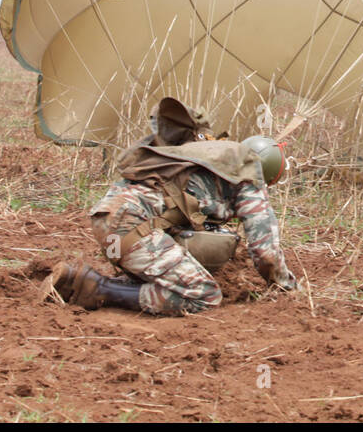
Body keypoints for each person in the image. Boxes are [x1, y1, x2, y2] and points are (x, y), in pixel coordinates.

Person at [49, 98, 297, 314]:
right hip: (132, 229)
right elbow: (266, 254)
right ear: (269, 170)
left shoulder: (198, 155)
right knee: (204, 295)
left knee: (171, 265)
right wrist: (287, 286)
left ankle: (78, 280)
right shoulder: (248, 175)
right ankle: (98, 289)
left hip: (106, 222)